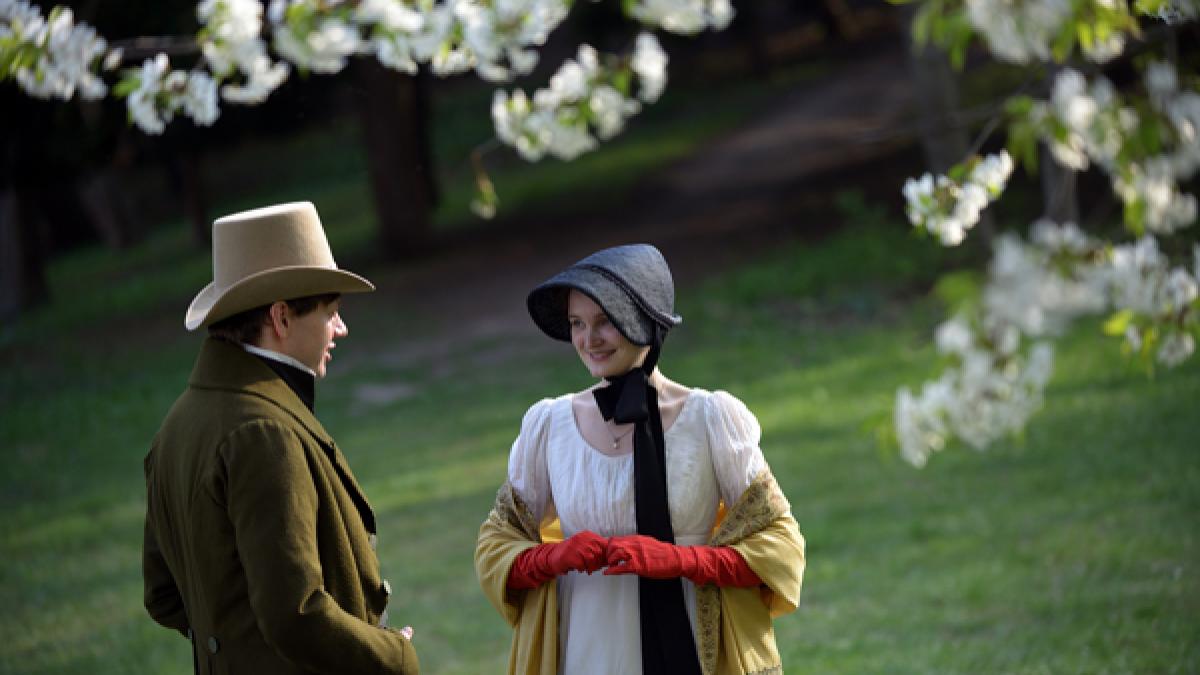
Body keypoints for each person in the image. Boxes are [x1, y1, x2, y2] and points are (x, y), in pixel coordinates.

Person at [475, 244, 805, 674]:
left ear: (646, 322)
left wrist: (679, 561)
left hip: (690, 639)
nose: (588, 339)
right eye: (577, 323)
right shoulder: (547, 426)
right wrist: (554, 558)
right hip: (586, 646)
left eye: (604, 322)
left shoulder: (713, 419)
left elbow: (780, 546)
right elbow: (496, 547)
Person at [142, 201, 419, 674]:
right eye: (331, 312)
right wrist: (395, 656)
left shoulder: (177, 425)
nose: (341, 328)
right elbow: (296, 614)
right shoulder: (263, 434)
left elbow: (164, 596)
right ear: (281, 318)